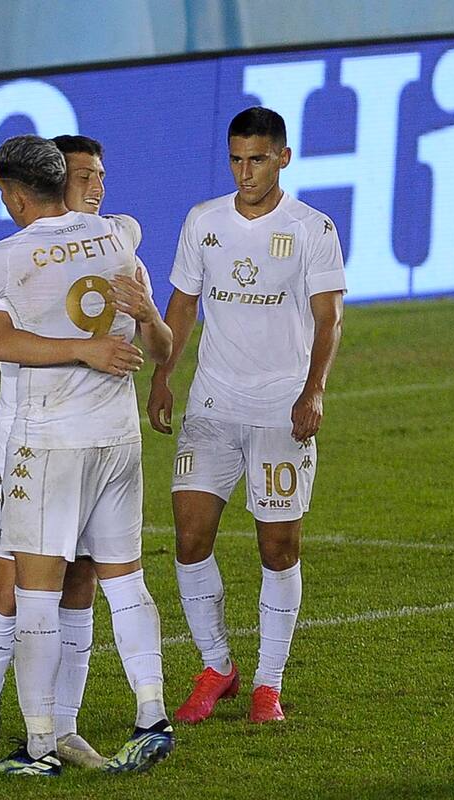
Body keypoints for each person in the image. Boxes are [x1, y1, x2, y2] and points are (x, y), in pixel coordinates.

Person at [0, 135, 175, 777]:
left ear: (12, 192)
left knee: (42, 591)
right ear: (62, 179)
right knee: (105, 579)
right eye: (86, 174)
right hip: (115, 439)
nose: (96, 184)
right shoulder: (117, 237)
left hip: (45, 441)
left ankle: (42, 742)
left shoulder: (4, 261)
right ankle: (145, 715)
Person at [146, 106, 346, 724]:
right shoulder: (204, 221)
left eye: (256, 159)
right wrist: (163, 374)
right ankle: (217, 667)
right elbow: (181, 305)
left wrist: (313, 391)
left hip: (281, 408)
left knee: (278, 546)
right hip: (212, 402)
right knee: (188, 536)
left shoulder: (313, 228)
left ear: (283, 157)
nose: (244, 171)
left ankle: (268, 683)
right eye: (235, 159)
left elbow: (329, 317)